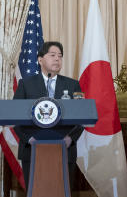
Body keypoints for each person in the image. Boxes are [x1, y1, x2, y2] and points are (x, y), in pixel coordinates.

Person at [13, 41, 83, 184]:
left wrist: (70, 138)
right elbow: (15, 117)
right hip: (32, 150)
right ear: (40, 60)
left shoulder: (72, 85)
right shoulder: (26, 85)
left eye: (60, 56)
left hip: (64, 150)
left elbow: (82, 116)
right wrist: (29, 139)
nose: (57, 59)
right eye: (52, 55)